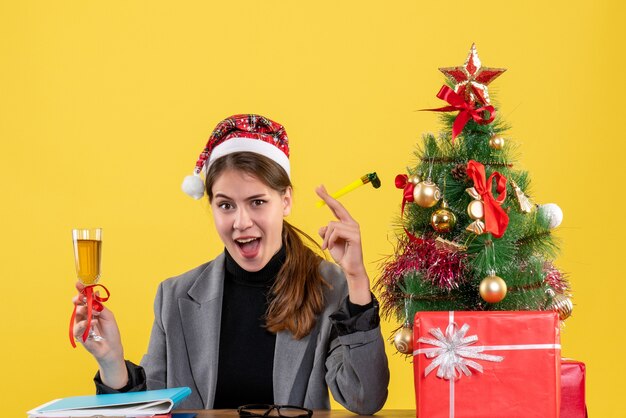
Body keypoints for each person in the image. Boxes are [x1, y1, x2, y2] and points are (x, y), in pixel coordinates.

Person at [72, 114, 389, 414]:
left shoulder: (328, 286)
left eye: (257, 202)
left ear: (286, 200)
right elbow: (153, 408)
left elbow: (365, 397)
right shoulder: (174, 295)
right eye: (225, 205)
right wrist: (111, 362)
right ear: (211, 206)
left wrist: (357, 280)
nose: (241, 222)